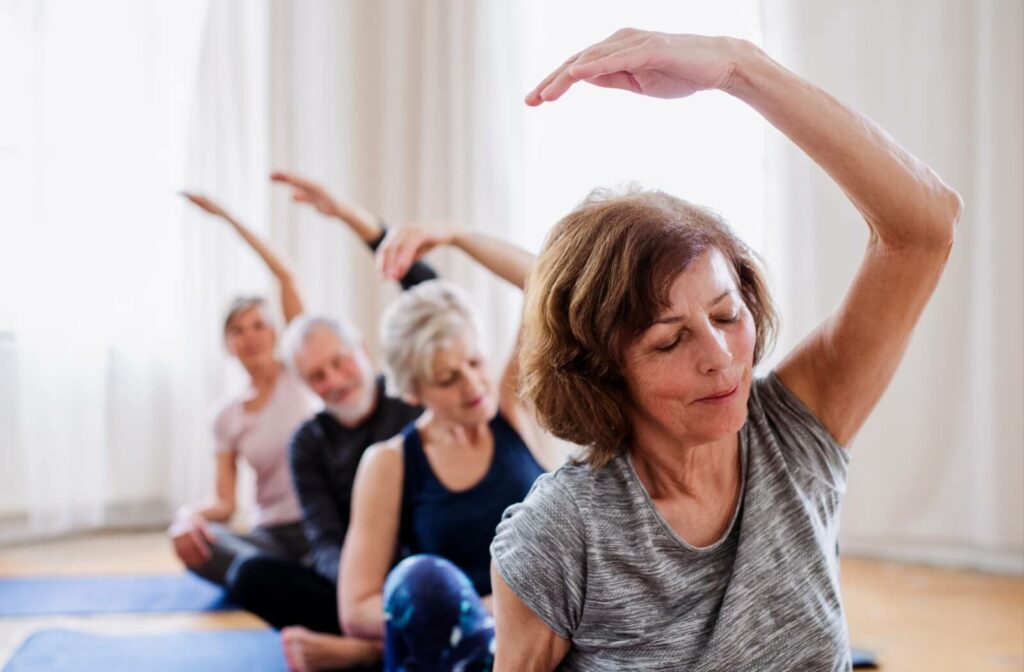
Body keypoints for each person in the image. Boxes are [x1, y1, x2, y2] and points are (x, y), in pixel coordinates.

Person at [488, 30, 962, 671]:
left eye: (725, 314)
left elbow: (924, 228)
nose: (721, 357)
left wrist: (741, 68)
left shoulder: (794, 432)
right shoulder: (562, 533)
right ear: (602, 370)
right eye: (670, 339)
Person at [222, 173, 437, 672]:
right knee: (250, 575)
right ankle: (377, 640)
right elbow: (324, 538)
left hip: (431, 567)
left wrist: (350, 217)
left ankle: (367, 652)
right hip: (359, 586)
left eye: (341, 363)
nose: (336, 381)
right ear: (306, 385)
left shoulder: (411, 395)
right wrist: (361, 597)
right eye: (318, 376)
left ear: (363, 350)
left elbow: (428, 297)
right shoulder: (309, 443)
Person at [328, 225, 562, 672]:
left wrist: (455, 236)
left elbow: (543, 279)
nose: (473, 385)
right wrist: (483, 610)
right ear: (414, 392)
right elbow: (356, 608)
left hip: (545, 637)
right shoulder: (389, 463)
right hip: (454, 648)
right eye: (447, 379)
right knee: (419, 580)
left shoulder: (509, 408)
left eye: (474, 362)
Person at [169, 192, 319, 587]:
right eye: (238, 330)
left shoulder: (299, 370)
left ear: (276, 331)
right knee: (203, 545)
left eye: (258, 325)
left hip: (323, 523)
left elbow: (286, 276)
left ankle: (278, 581)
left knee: (259, 573)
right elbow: (224, 503)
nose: (250, 337)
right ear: (227, 344)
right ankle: (273, 579)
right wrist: (188, 518)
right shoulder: (226, 415)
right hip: (270, 535)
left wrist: (227, 216)